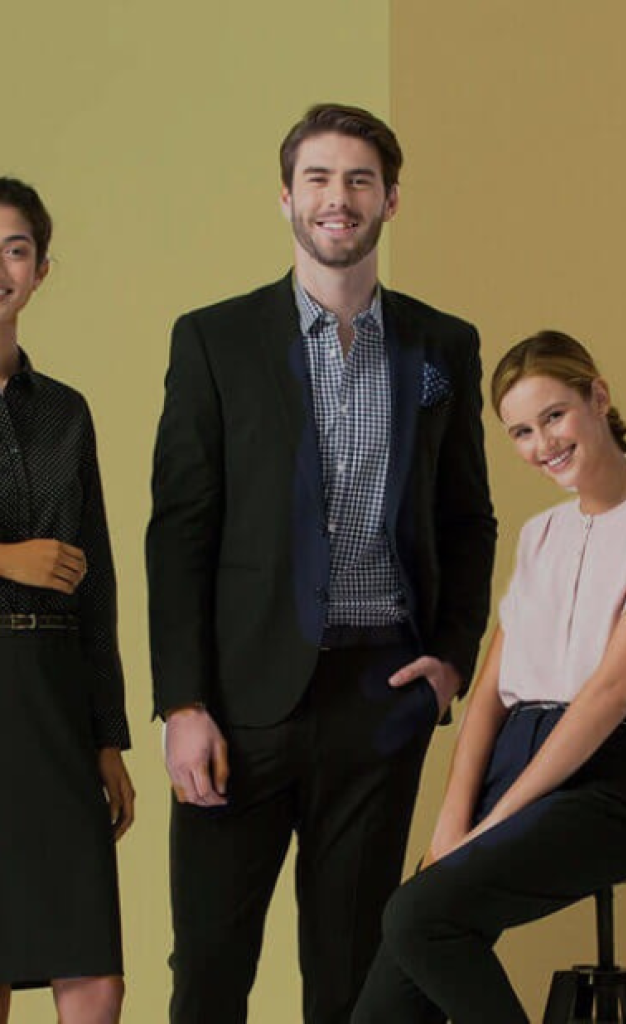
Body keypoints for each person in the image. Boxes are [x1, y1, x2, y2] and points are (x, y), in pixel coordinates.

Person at [146, 104, 496, 1023]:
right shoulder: (214, 341)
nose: (338, 198)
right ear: (286, 198)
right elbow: (180, 531)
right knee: (210, 969)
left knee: (351, 979)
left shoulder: (443, 346)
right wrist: (183, 703)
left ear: (390, 201)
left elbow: (467, 517)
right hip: (239, 704)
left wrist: (451, 659)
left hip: (382, 697)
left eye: (359, 181)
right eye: (319, 179)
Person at [352, 330, 626, 1024]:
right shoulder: (540, 535)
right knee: (389, 993)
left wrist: (499, 820)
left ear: (597, 397)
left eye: (554, 416)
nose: (542, 444)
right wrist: (451, 828)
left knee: (417, 917)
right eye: (521, 431)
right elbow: (489, 697)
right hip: (512, 763)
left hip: (607, 779)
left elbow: (612, 691)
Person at [0, 178, 134, 1023]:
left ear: (41, 270)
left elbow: (99, 582)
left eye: (14, 250)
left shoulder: (66, 413)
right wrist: (6, 559)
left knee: (93, 973)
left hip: (54, 696)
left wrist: (108, 737)